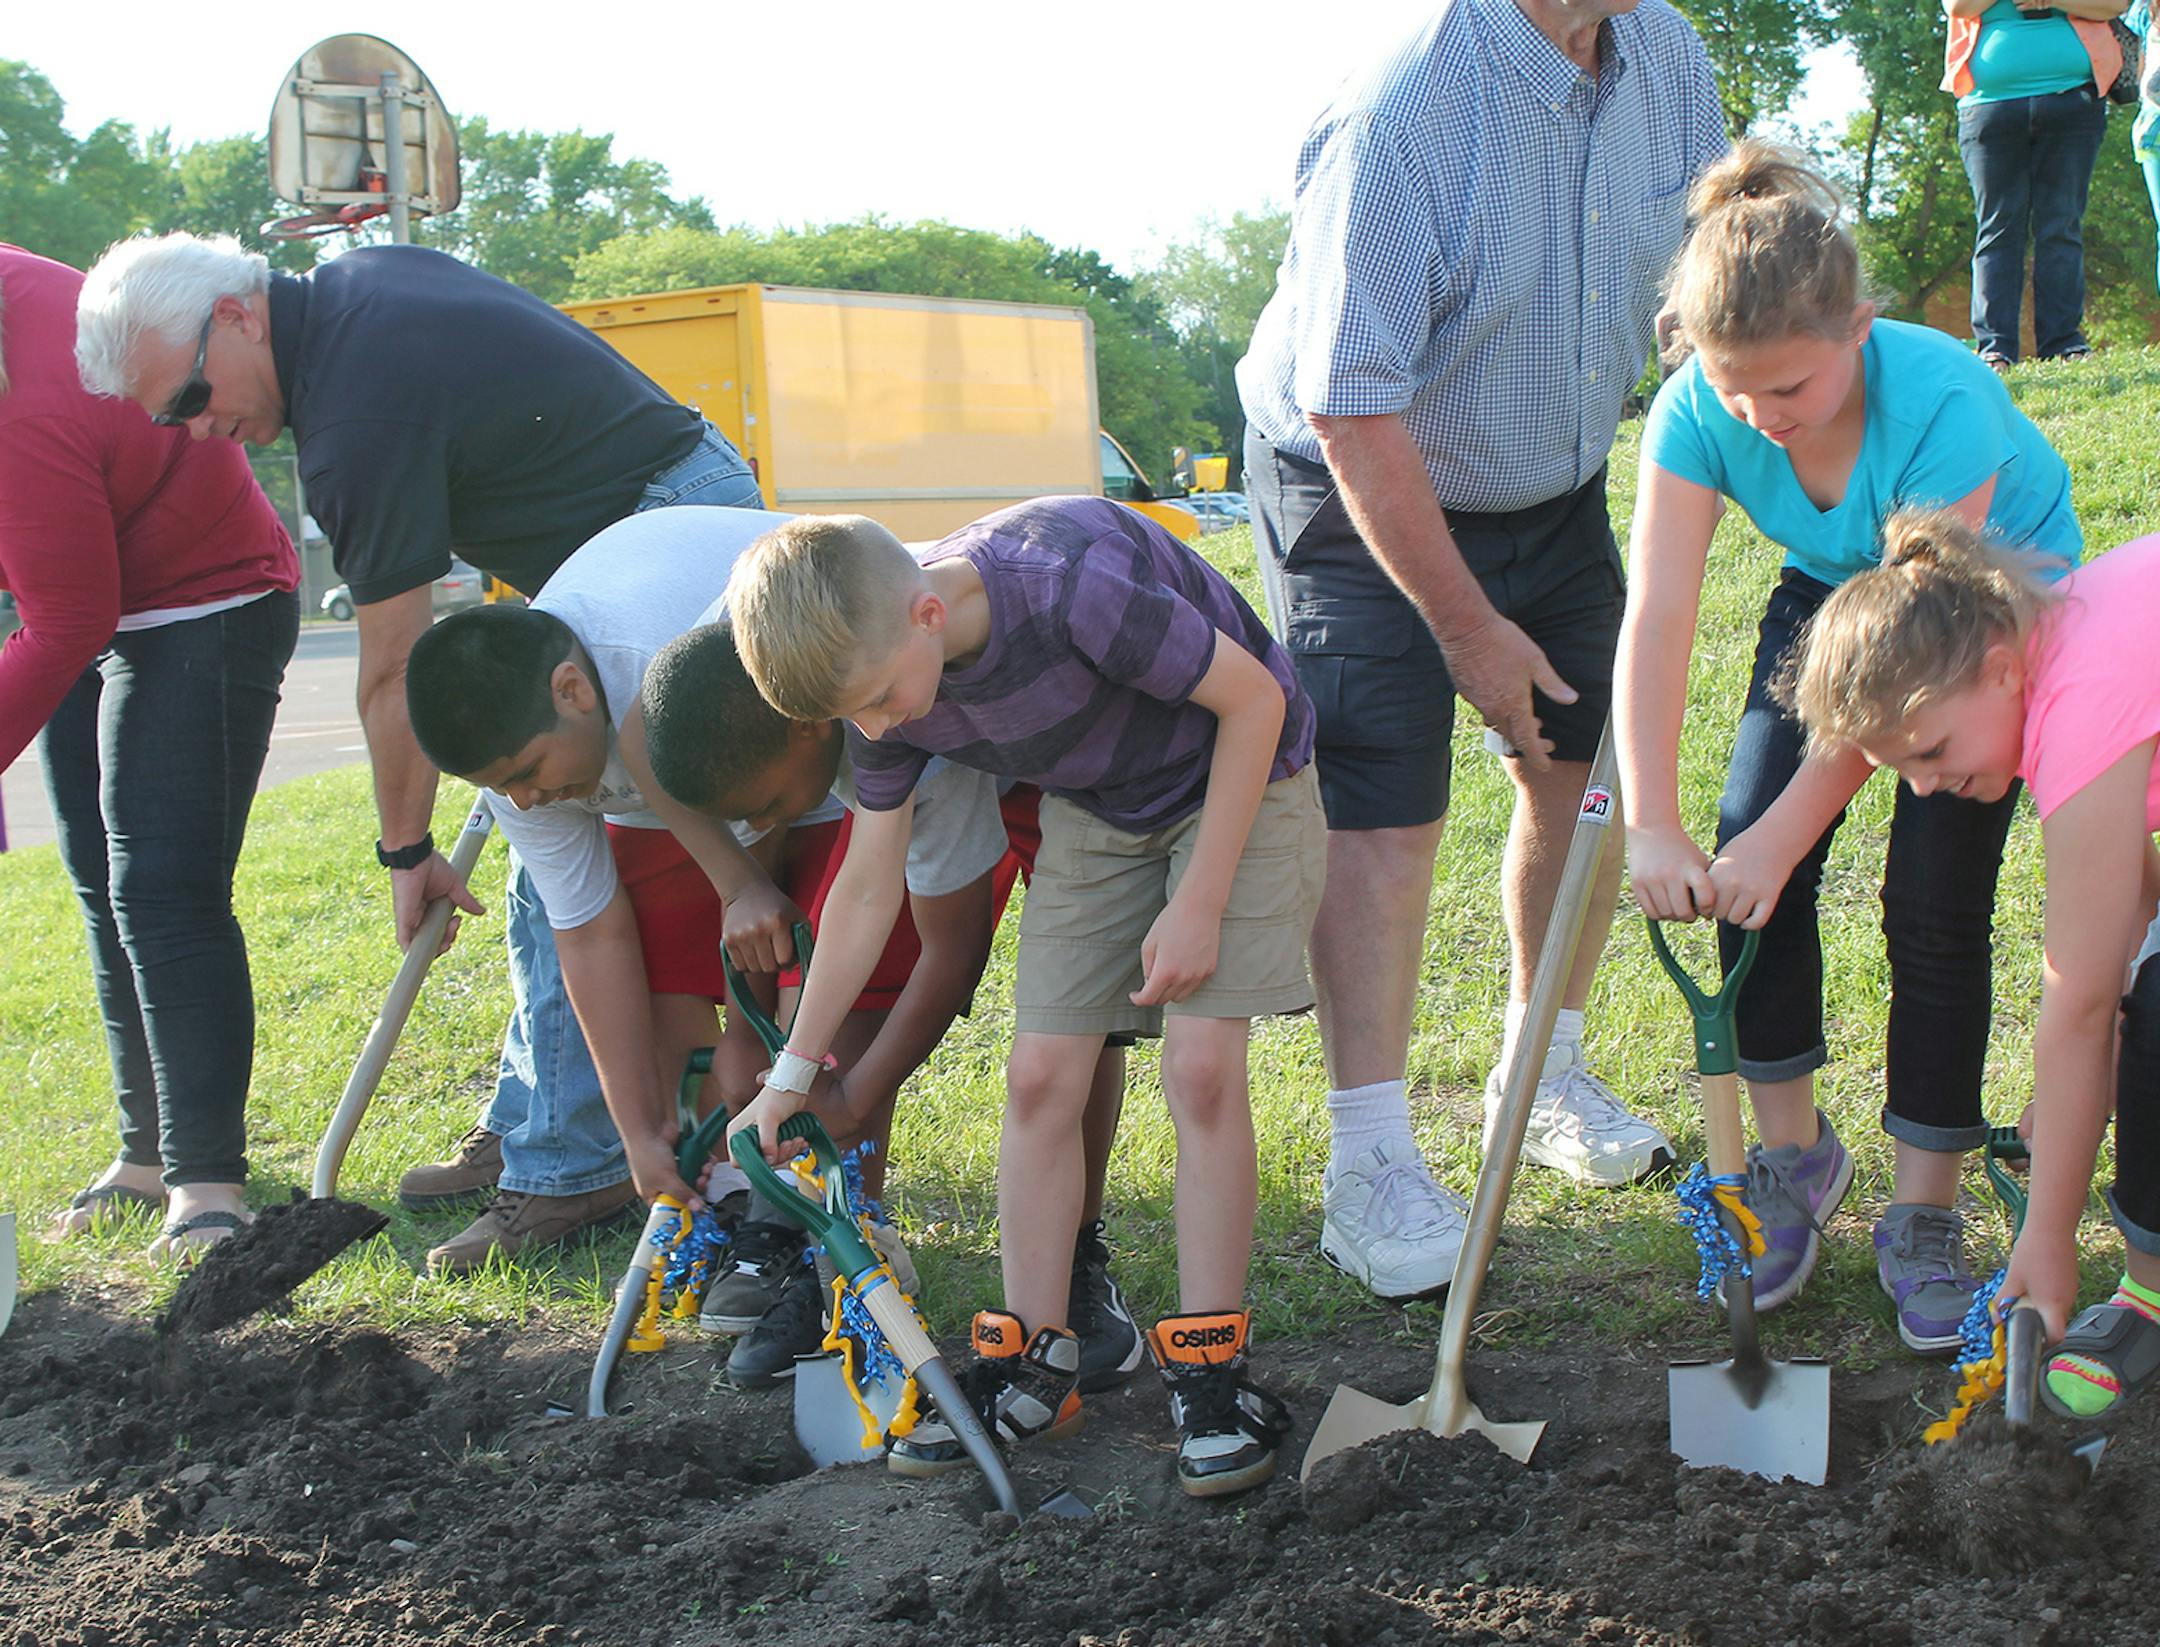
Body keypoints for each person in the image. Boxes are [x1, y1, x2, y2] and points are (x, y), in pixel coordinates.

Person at [73, 233, 765, 1267]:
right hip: (629, 524)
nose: (198, 430)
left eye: (186, 400)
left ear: (235, 317)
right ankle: (541, 1124)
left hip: (669, 527)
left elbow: (392, 667)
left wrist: (407, 850)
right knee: (542, 848)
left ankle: (571, 1167)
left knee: (552, 841)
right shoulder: (357, 290)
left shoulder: (356, 418)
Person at [1234, 0, 1730, 1302]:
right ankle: (1373, 1158)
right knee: (1385, 812)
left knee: (1590, 769)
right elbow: (1352, 398)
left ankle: (1542, 1066)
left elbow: (1700, 286)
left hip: (1547, 477)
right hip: (1352, 476)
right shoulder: (1401, 110)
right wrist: (1466, 627)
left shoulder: (1667, 57)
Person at [724, 498, 1325, 1497]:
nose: (875, 728)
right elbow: (867, 888)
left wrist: (1202, 902)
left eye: (876, 699)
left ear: (925, 612)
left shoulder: (1068, 589)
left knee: (1203, 1067)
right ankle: (1033, 1363)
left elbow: (1255, 702)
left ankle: (1214, 1378)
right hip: (1101, 810)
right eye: (853, 718)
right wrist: (793, 1073)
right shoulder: (881, 683)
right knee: (1041, 1074)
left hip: (1243, 784)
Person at [1614, 144, 2083, 1354]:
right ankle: (1793, 1158)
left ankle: (1923, 1208)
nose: (1764, 422)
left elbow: (1910, 671)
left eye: (1794, 393)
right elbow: (1659, 615)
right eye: (1737, 393)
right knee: (1743, 850)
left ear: (1860, 330)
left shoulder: (1943, 405)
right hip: (1836, 591)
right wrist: (1656, 820)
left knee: (1933, 898)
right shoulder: (1695, 414)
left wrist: (1786, 836)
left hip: (1974, 618)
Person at [639, 617, 1145, 1395]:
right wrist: (787, 1065)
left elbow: (955, 949)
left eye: (769, 800)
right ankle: (836, 1243)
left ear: (806, 727)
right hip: (904, 735)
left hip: (1081, 756)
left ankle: (1077, 1256)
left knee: (1075, 1006)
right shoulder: (726, 665)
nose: (769, 821)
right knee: (846, 952)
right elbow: (815, 897)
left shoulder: (907, 736)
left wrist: (857, 1092)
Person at [1784, 510, 2160, 1415]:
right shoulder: (2056, 645)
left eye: (1933, 752)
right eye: (1897, 770)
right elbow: (2131, 901)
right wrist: (2100, 1049)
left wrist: (2048, 1239)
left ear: (1996, 670)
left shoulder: (2082, 700)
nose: (1924, 787)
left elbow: (2076, 1001)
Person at [1, 244, 299, 1257]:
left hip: (206, 600)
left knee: (164, 889)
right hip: (90, 586)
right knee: (98, 878)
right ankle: (146, 1151)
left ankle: (207, 1183)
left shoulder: (29, 411)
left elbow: (69, 616)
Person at [1943, 0, 2128, 367]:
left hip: (2073, 101)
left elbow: (2113, 5)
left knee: (2062, 225)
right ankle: (1995, 348)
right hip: (1990, 107)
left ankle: (2064, 343)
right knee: (1998, 228)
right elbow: (1959, 6)